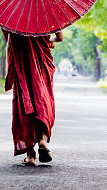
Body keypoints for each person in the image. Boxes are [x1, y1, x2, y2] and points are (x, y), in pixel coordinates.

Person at [4, 30, 64, 166]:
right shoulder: (47, 12)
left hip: (22, 68)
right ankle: (42, 139)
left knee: (25, 105)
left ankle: (30, 154)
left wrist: (11, 71)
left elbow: (9, 46)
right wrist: (50, 41)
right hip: (42, 67)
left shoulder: (14, 17)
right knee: (42, 101)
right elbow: (60, 37)